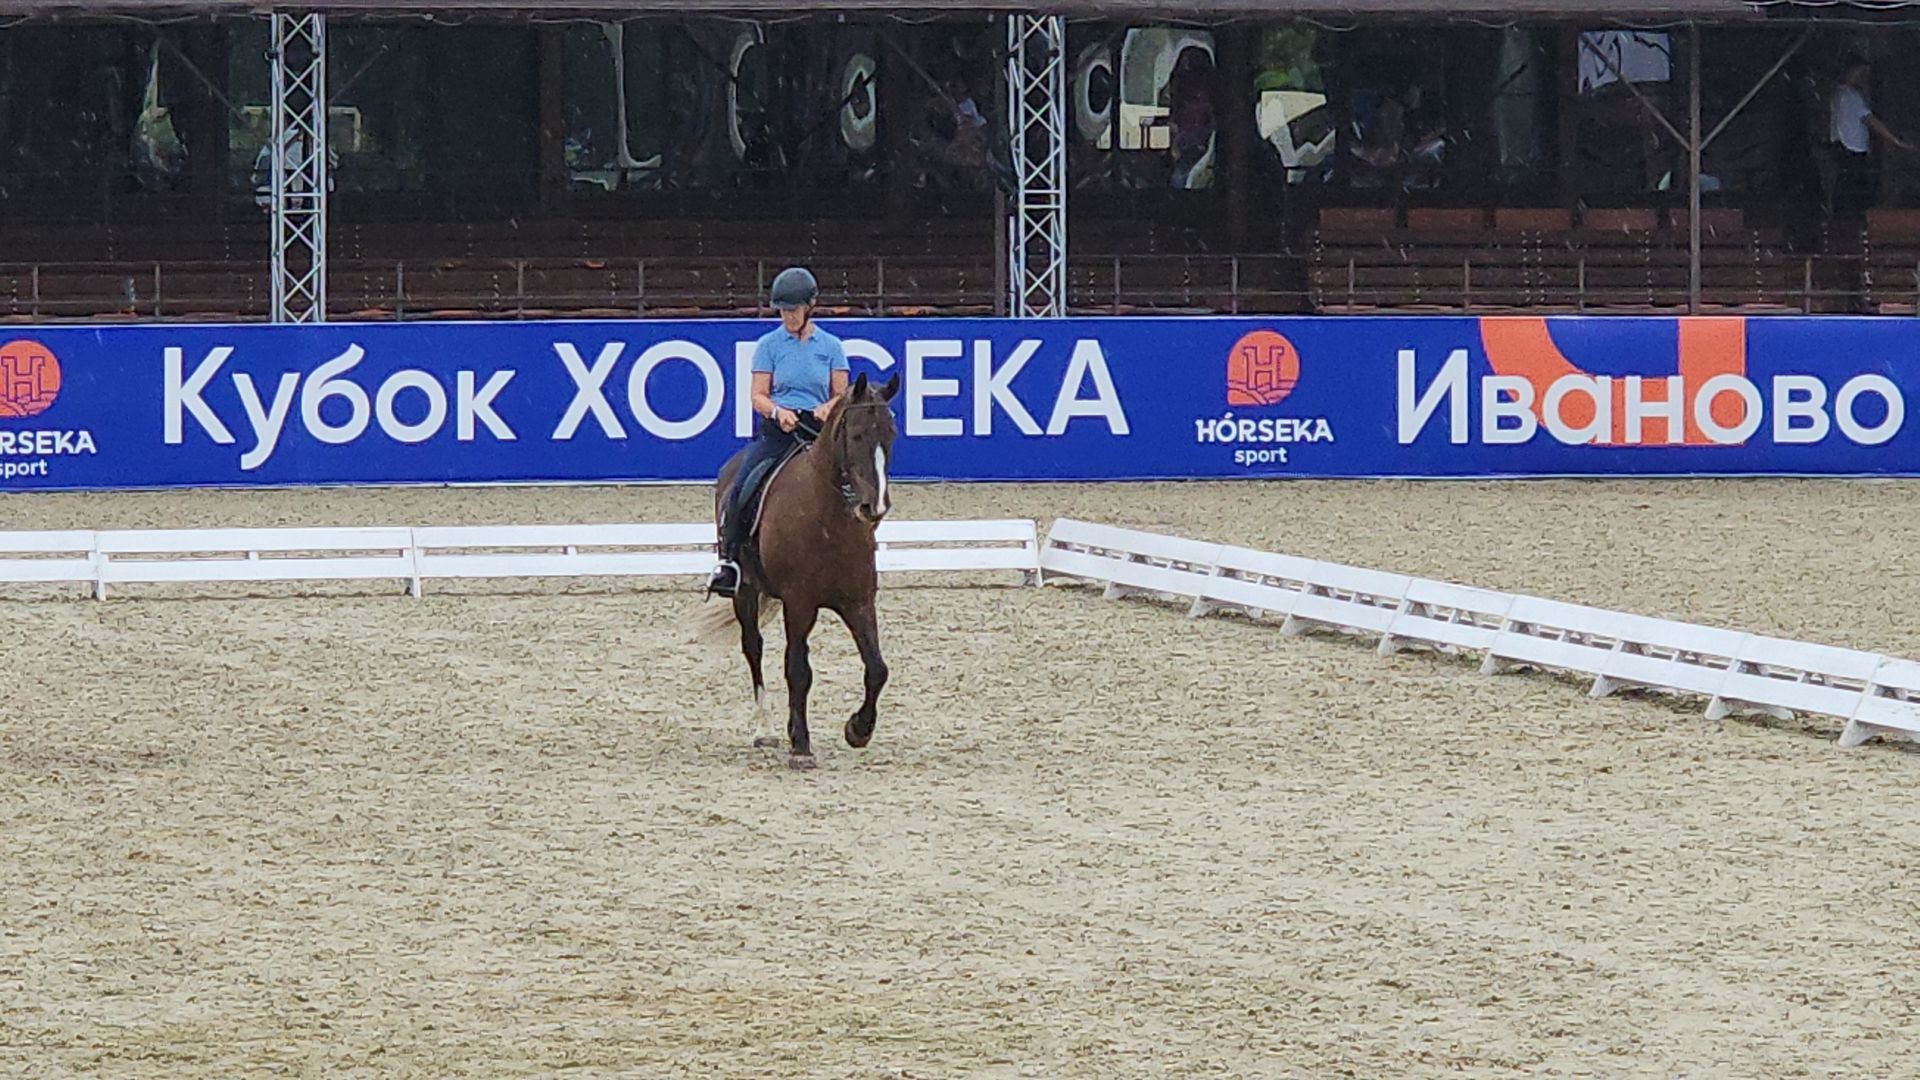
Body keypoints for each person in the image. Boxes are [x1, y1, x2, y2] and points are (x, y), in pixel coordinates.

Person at [707, 266, 849, 599]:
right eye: (783, 310)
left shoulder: (830, 346)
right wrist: (777, 411)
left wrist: (829, 408)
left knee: (856, 484)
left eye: (794, 310)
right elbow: (757, 395)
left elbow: (841, 393)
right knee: (741, 488)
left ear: (809, 307)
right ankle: (729, 561)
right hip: (779, 430)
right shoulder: (768, 345)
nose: (788, 316)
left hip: (818, 432)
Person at [1827, 58, 1914, 217]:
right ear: (1851, 72)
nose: (1863, 78)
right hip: (1851, 149)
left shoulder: (1838, 93)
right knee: (1853, 190)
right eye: (1861, 73)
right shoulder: (1851, 96)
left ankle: (1843, 220)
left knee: (1846, 187)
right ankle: (1851, 223)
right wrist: (1896, 141)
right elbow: (1870, 121)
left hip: (1843, 147)